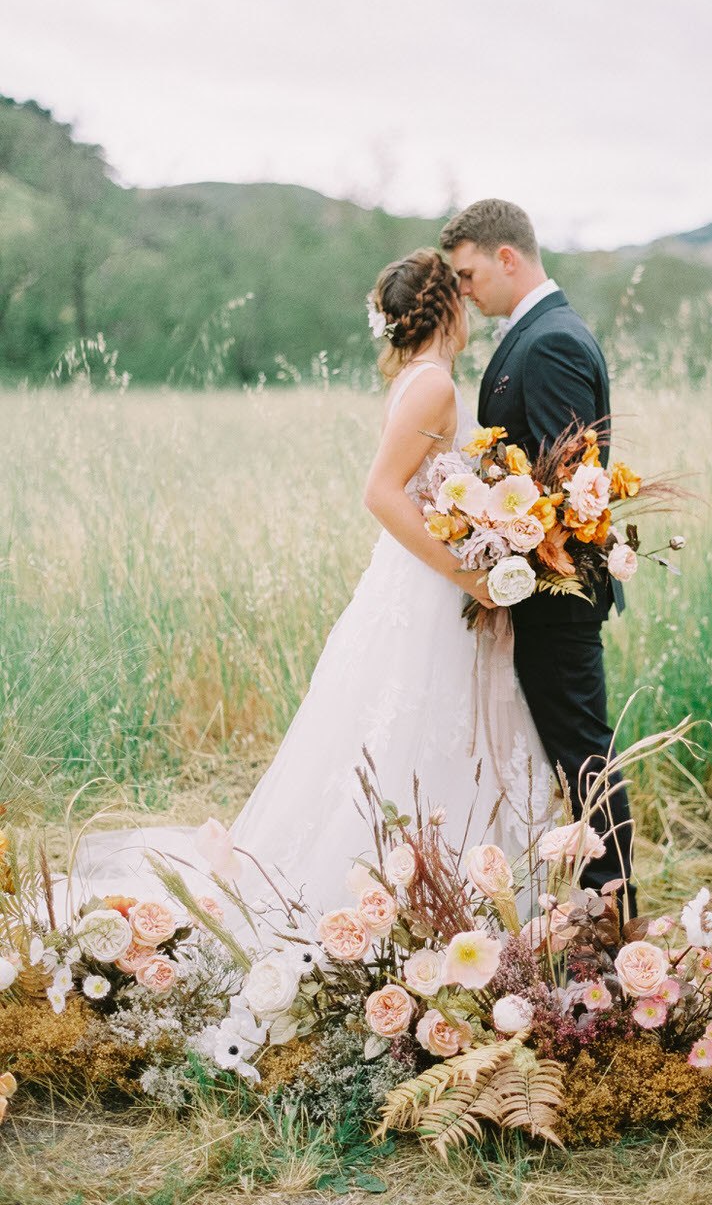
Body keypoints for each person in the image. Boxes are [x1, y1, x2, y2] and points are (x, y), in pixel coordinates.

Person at [66, 249, 555, 925]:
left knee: (422, 734)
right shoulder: (433, 386)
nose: (472, 310)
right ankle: (407, 897)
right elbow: (382, 493)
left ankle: (442, 893)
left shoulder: (422, 379)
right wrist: (468, 572)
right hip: (427, 591)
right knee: (413, 734)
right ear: (444, 308)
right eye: (463, 299)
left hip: (422, 583)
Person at [441, 199, 638, 918]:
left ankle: (610, 907)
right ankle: (587, 909)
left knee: (583, 755)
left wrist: (509, 544)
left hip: (557, 591)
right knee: (569, 752)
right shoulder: (533, 333)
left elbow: (566, 484)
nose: (464, 290)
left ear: (506, 258)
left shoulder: (550, 341)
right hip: (534, 588)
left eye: (468, 274)